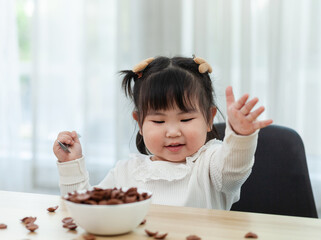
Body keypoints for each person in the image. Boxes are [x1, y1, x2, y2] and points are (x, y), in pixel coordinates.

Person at [53, 56, 273, 210]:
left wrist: (239, 135)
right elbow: (83, 207)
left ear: (209, 118)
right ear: (139, 123)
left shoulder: (211, 164)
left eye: (186, 119)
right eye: (158, 121)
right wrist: (71, 165)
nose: (173, 131)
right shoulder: (127, 172)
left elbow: (234, 170)